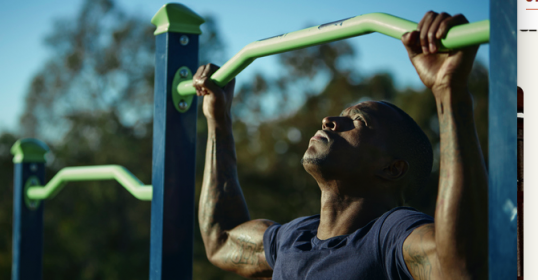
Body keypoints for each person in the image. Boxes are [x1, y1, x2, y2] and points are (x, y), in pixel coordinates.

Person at [193, 11, 487, 280]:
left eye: (357, 121)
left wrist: (449, 90)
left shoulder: (389, 235)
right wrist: (218, 117)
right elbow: (220, 241)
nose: (329, 121)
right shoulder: (294, 237)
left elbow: (458, 267)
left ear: (392, 168)